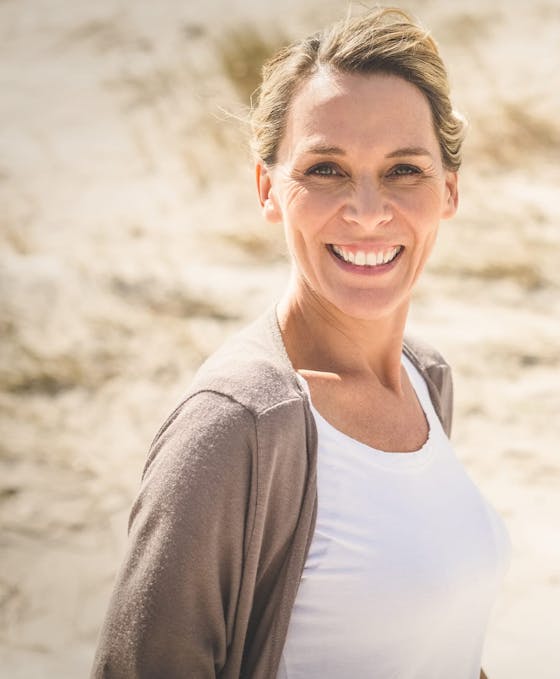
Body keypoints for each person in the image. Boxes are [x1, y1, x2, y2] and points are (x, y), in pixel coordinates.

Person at [91, 7, 511, 679]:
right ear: (268, 190)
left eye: (405, 169)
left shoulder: (424, 379)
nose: (369, 210)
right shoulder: (237, 424)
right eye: (326, 170)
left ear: (449, 191)